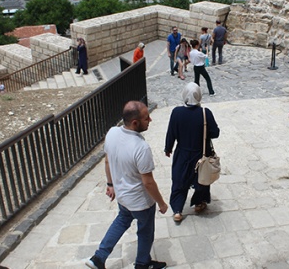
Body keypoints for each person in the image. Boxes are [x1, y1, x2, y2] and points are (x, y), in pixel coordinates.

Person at [86, 101, 168, 269]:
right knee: (145, 231)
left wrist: (110, 184)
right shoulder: (141, 147)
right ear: (135, 123)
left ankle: (99, 257)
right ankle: (142, 263)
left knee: (121, 221)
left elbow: (108, 161)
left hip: (123, 197)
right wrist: (161, 203)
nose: (150, 120)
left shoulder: (112, 133)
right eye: (146, 118)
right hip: (141, 202)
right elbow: (148, 182)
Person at [164, 83, 220, 222]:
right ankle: (199, 203)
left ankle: (177, 210)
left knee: (179, 180)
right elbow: (215, 133)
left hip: (182, 153)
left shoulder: (176, 112)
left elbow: (171, 132)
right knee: (202, 179)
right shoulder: (205, 113)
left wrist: (168, 148)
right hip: (201, 153)